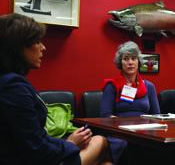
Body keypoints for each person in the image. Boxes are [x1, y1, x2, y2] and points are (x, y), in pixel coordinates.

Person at [0, 13, 113, 165]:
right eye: (38, 42)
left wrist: (67, 143)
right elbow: (36, 151)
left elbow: (34, 137)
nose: (43, 47)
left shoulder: (8, 80)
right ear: (18, 46)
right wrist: (71, 144)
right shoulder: (13, 86)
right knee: (101, 142)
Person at [100, 41, 160, 164]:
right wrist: (127, 127)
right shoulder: (111, 86)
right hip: (121, 133)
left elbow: (157, 115)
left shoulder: (149, 87)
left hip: (145, 133)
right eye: (126, 59)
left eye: (133, 58)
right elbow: (105, 116)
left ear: (138, 62)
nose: (130, 62)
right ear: (120, 63)